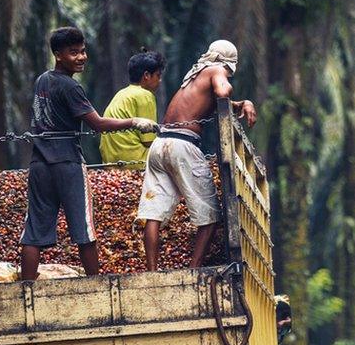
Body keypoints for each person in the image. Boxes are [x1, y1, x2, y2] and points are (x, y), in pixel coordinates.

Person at [20, 27, 158, 281]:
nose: (81, 57)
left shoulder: (42, 80)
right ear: (58, 55)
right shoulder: (71, 87)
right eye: (74, 53)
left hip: (39, 164)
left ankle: (25, 289)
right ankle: (96, 285)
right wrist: (134, 122)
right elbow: (98, 124)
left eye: (83, 51)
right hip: (68, 164)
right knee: (84, 229)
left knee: (34, 232)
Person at [137, 39, 257, 270]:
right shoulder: (216, 70)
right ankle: (194, 269)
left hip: (160, 145)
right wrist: (225, 83)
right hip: (183, 145)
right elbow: (223, 91)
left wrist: (243, 103)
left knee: (153, 214)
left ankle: (151, 271)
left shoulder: (194, 76)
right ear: (229, 64)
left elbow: (217, 101)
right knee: (210, 215)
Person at [98, 50, 165, 169]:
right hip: (135, 162)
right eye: (158, 76)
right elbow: (148, 141)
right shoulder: (145, 95)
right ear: (146, 76)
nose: (159, 81)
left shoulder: (122, 93)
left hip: (111, 163)